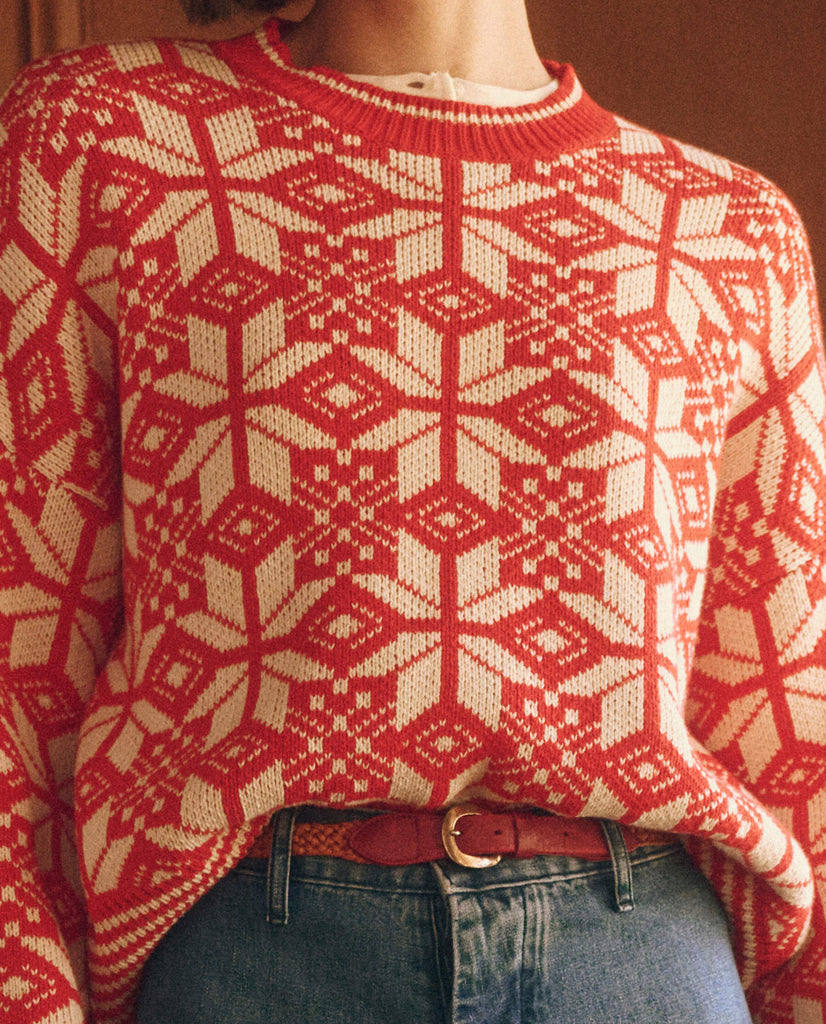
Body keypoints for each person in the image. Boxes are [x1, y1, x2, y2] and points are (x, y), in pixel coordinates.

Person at [1, 0, 824, 1020]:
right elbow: (21, 640)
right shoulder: (107, 136)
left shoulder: (727, 229)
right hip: (265, 958)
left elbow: (790, 715)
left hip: (639, 959)